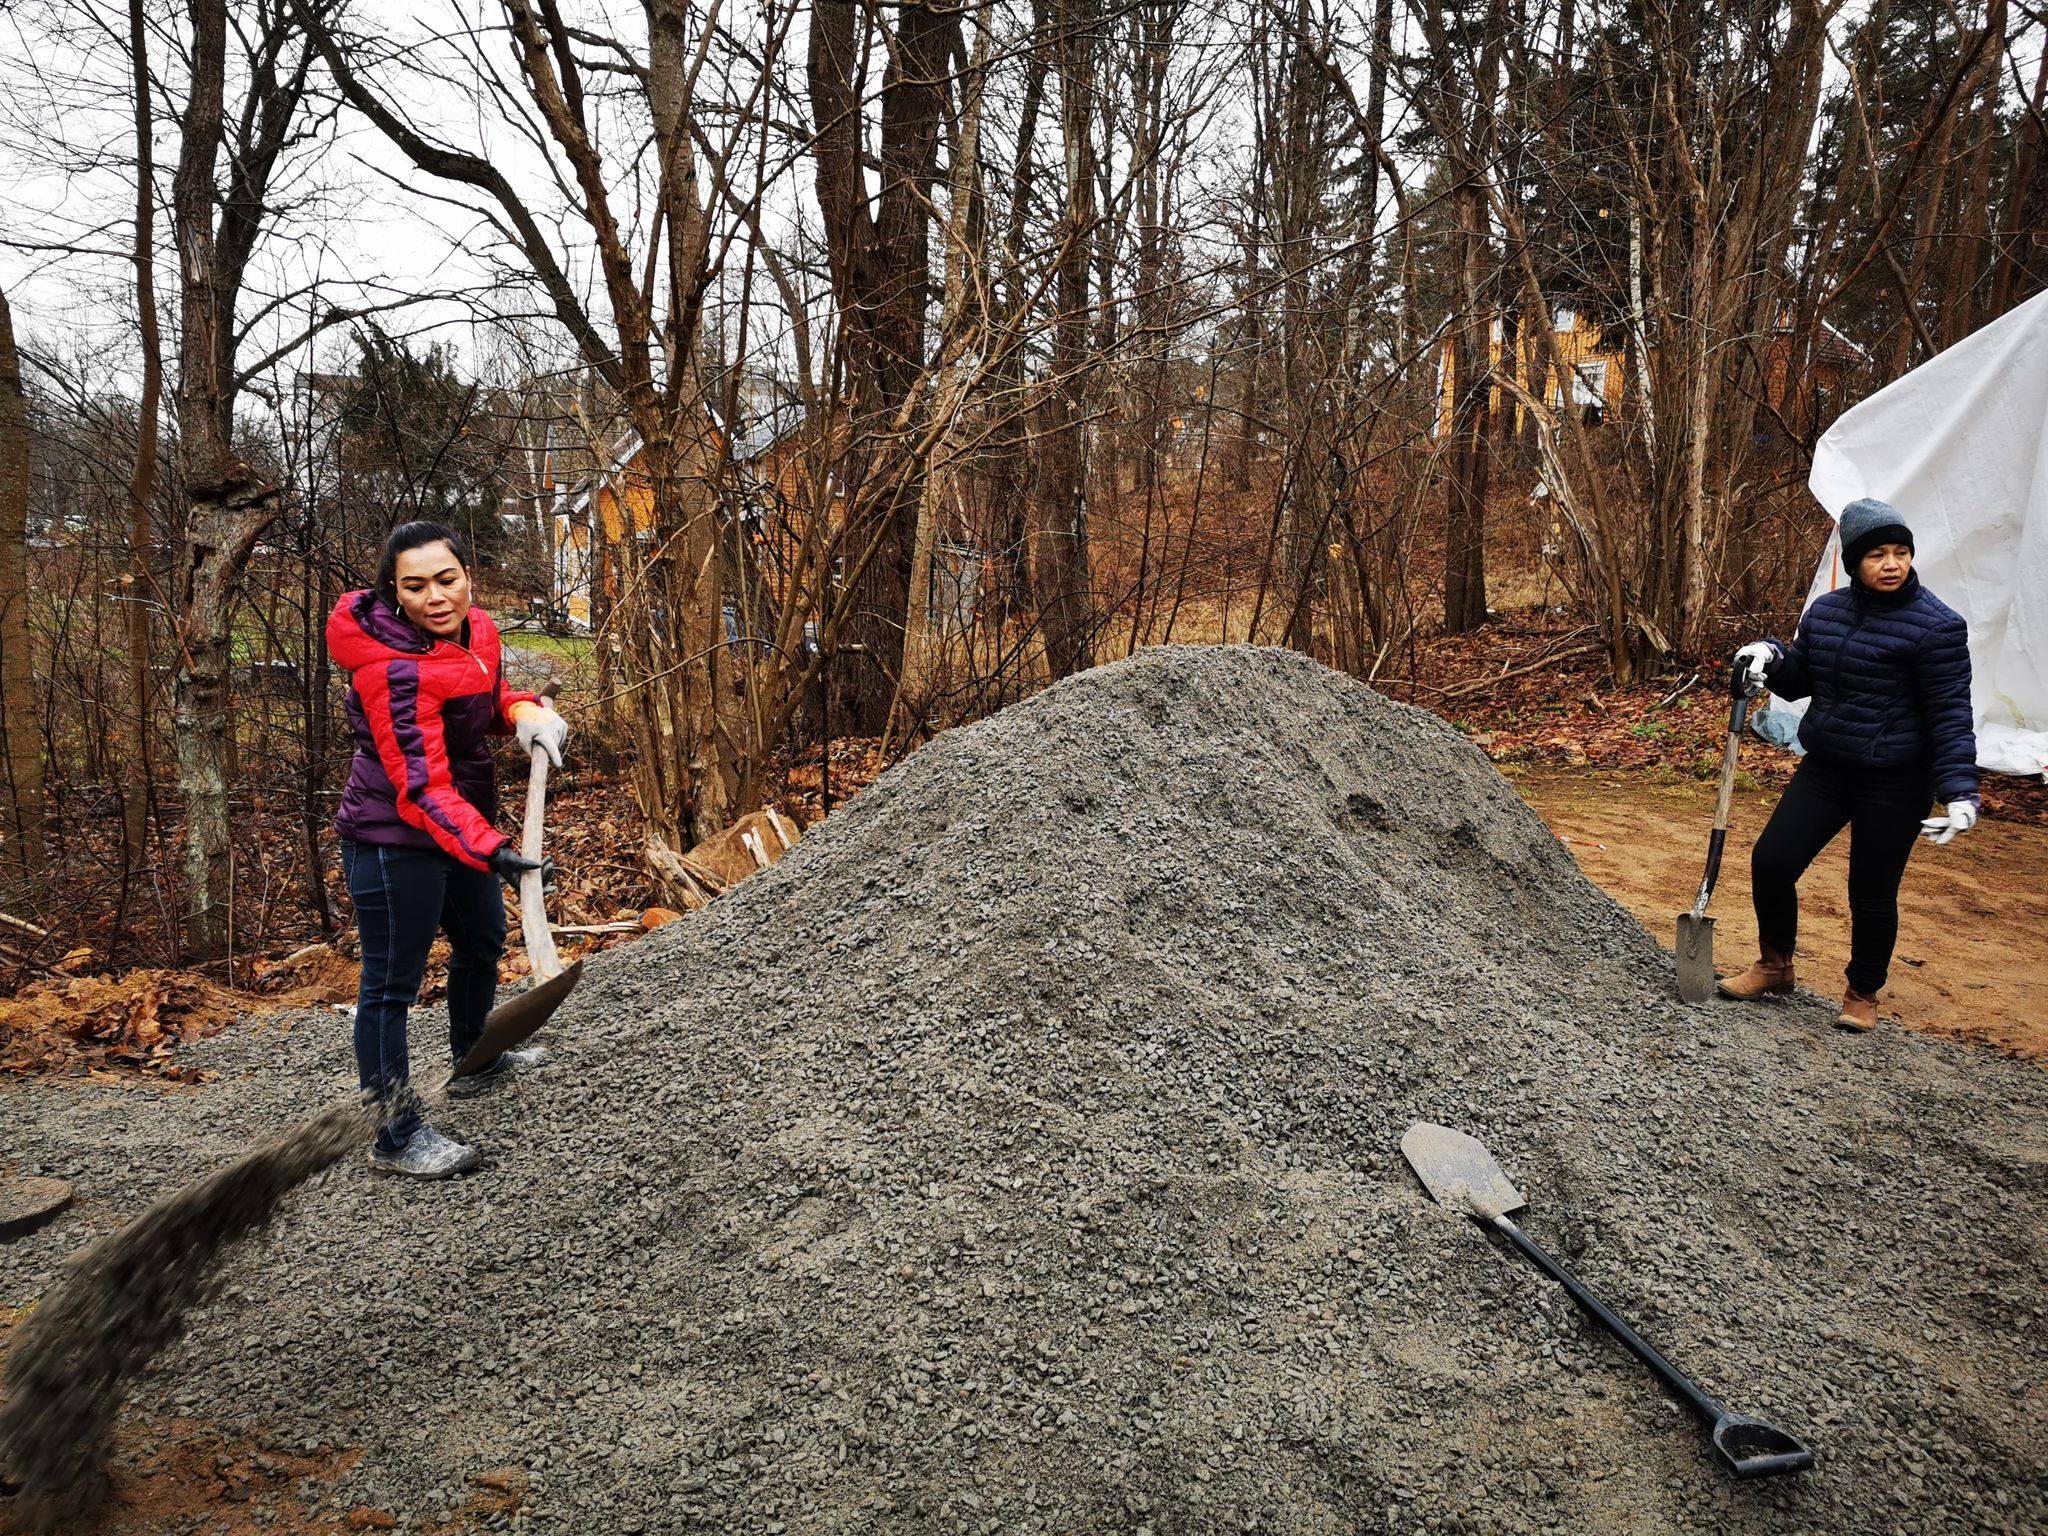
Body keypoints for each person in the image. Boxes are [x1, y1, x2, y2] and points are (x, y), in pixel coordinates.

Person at [327, 521, 570, 1177]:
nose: (435, 597)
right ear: (394, 592)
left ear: (468, 576)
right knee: (390, 987)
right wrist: (494, 850)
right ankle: (395, 1136)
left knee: (483, 938)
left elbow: (478, 705)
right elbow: (420, 787)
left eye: (446, 579)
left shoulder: (478, 631)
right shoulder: (391, 669)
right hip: (393, 836)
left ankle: (474, 1057)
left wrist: (522, 713)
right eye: (415, 587)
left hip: (457, 822)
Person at [1719, 498, 1979, 1031]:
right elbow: (1800, 680)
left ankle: (1863, 992)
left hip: (1897, 780)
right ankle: (1775, 965)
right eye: (1878, 555)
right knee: (1772, 861)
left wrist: (1959, 791)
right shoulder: (1827, 612)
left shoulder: (1937, 627)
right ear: (1855, 561)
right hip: (1830, 767)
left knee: (1871, 890)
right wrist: (1767, 657)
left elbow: (1950, 715)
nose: (1892, 564)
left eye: (1901, 552)